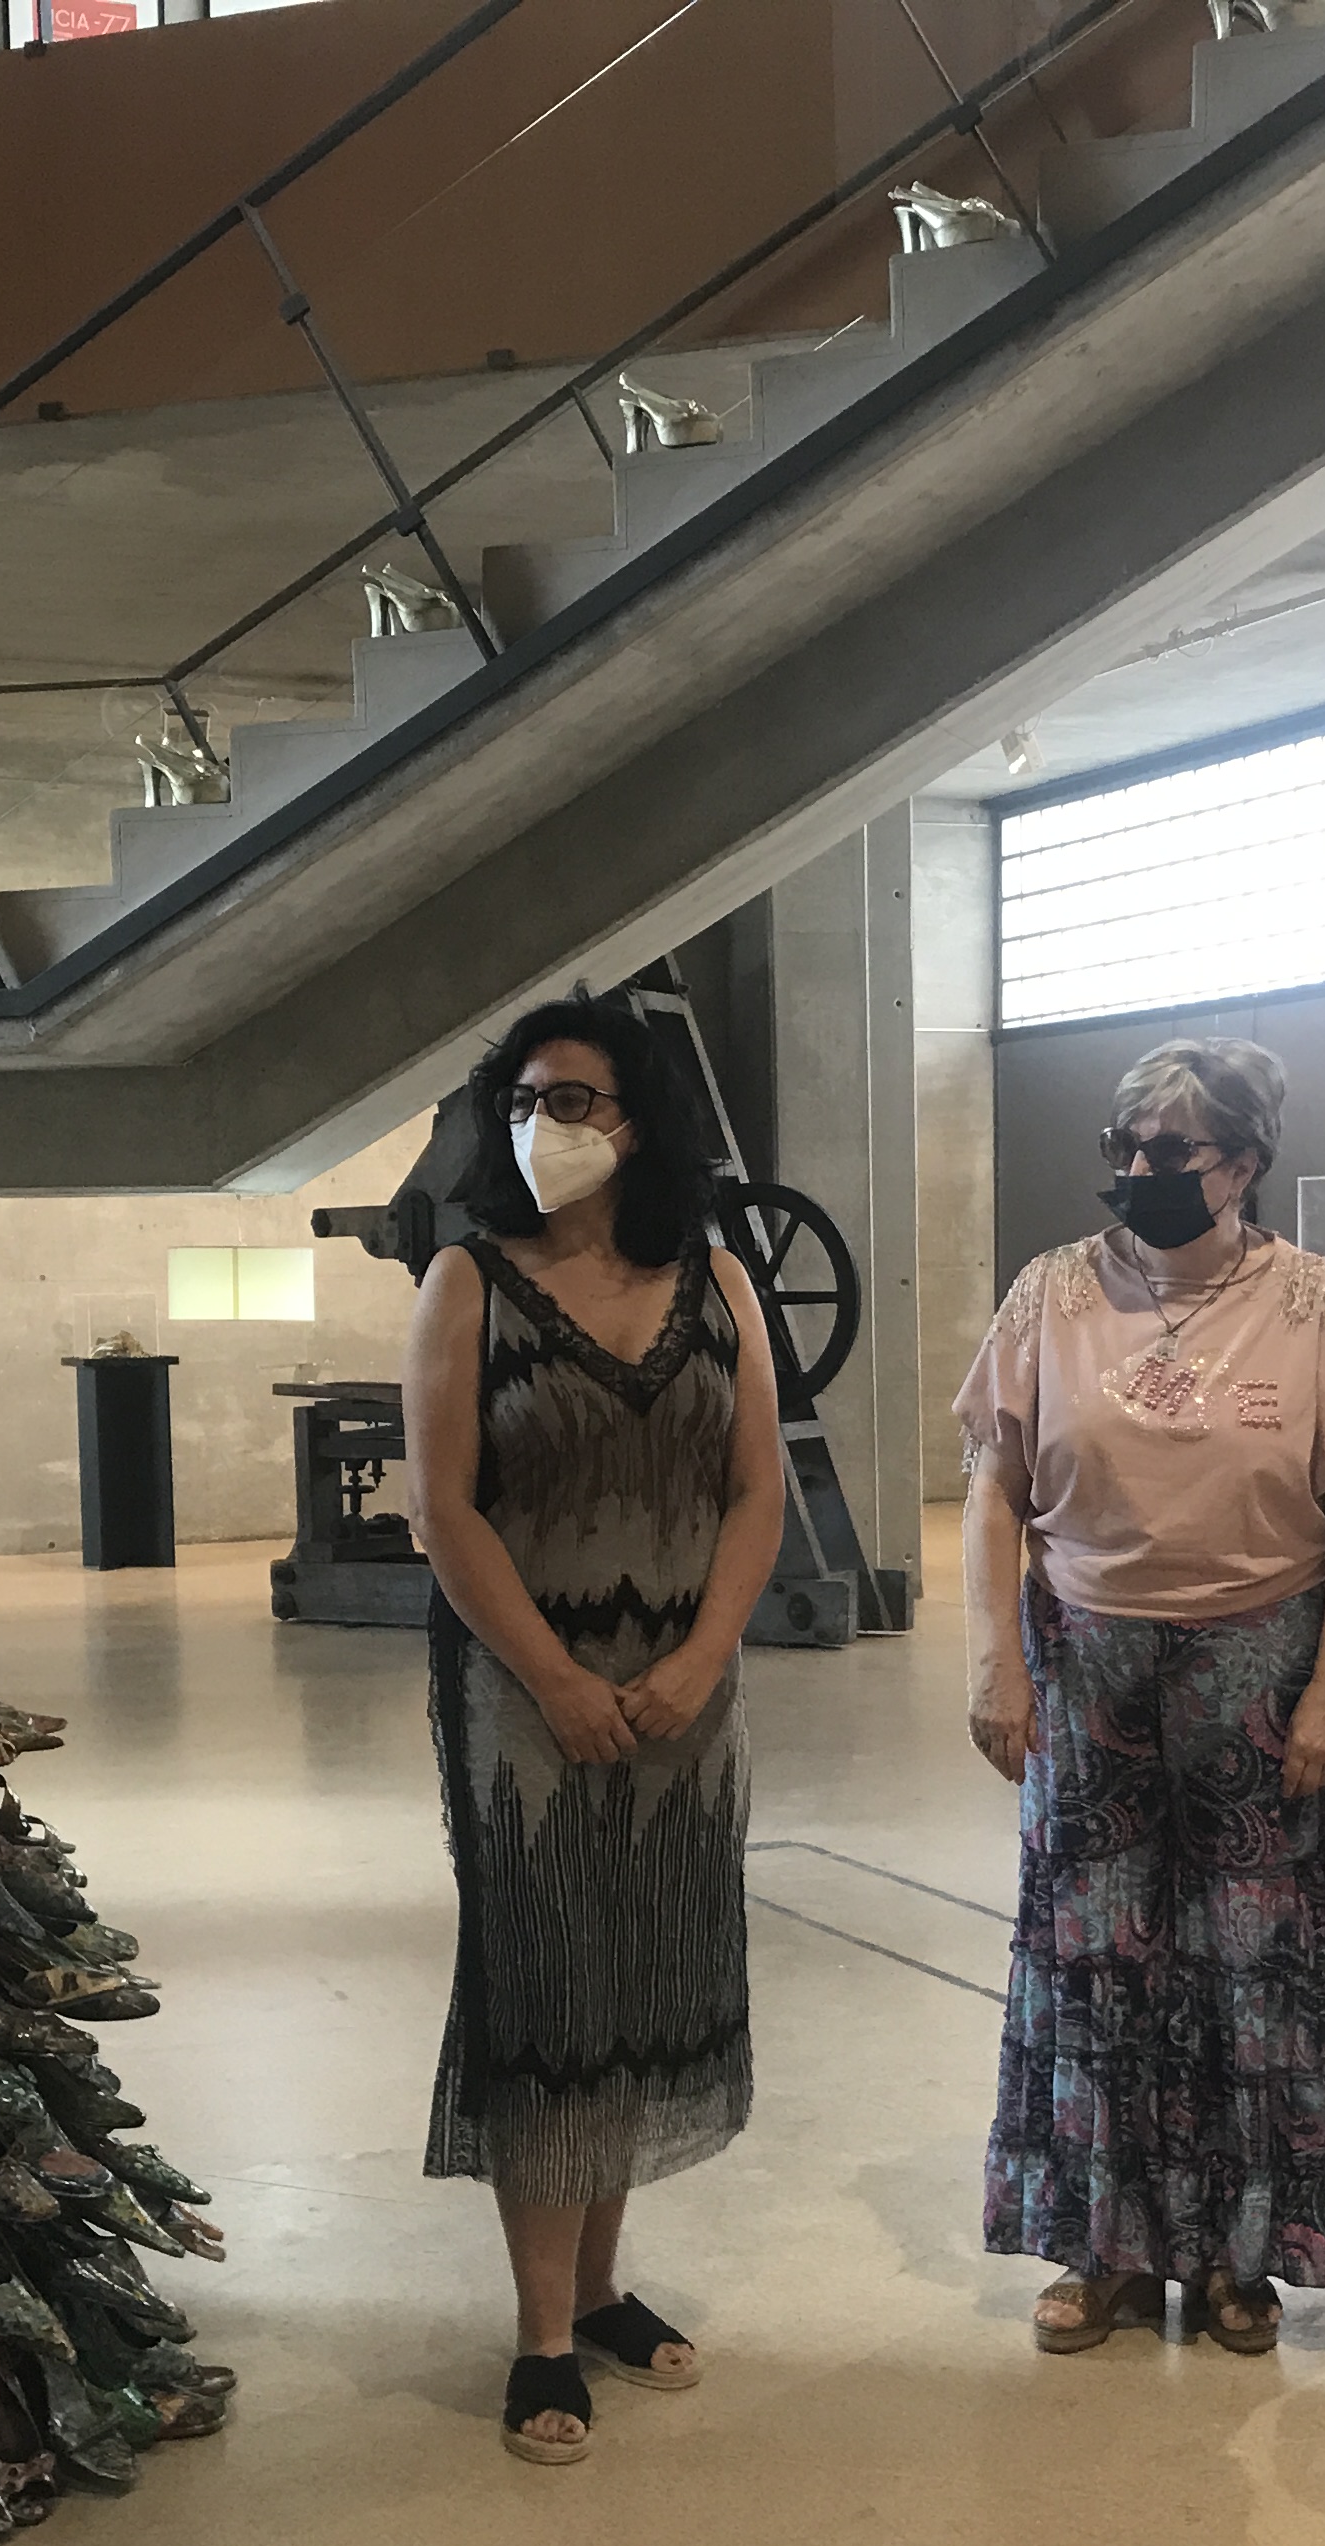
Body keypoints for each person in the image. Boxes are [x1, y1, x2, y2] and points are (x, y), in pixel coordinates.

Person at [955, 1039, 1325, 2357]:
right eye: (1128, 1150)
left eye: (1174, 1152)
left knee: (1249, 1959)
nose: (1143, 1173)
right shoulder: (1051, 1293)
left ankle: (1239, 2252)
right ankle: (1098, 2245)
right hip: (1089, 1654)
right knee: (1093, 1952)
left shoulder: (1319, 1305)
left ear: (1246, 1164)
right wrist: (994, 1658)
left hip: (1257, 1660)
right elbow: (993, 1477)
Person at [404, 997, 786, 2467]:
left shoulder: (719, 1282)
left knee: (649, 1977)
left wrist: (701, 1657)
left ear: (643, 1126)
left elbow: (755, 1490)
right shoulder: (467, 1280)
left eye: (579, 1100)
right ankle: (542, 2333)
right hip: (525, 1687)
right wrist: (557, 1678)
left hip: (683, 1690)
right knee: (553, 1984)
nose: (546, 1123)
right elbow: (445, 1509)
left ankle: (609, 2285)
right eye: (529, 1095)